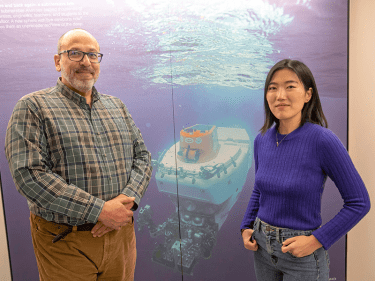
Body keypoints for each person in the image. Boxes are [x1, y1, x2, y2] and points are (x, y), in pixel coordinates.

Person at [5, 28, 153, 281]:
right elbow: (29, 175)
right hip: (65, 240)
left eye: (93, 55)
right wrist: (100, 211)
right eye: (75, 53)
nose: (86, 62)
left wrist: (126, 201)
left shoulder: (116, 106)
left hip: (120, 236)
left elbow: (142, 157)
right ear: (57, 61)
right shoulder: (32, 107)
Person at [240, 59, 370, 280]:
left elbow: (359, 202)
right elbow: (259, 190)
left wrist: (316, 241)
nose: (280, 95)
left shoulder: (323, 140)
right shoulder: (261, 140)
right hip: (261, 248)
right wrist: (245, 226)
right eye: (273, 88)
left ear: (308, 94)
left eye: (290, 86)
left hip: (302, 254)